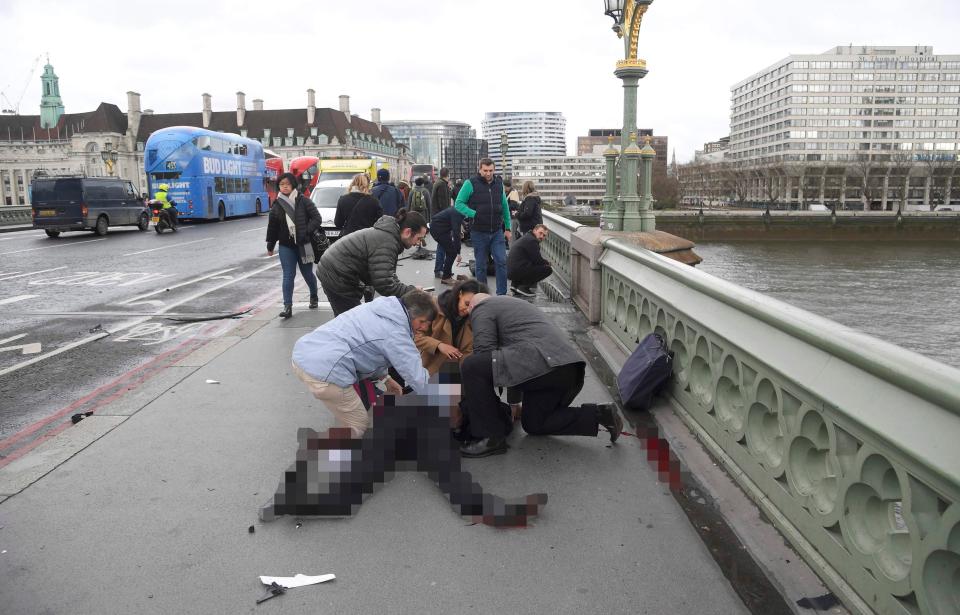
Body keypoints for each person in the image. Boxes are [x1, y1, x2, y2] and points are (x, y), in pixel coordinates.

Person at [260, 364, 547, 527]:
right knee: (361, 481)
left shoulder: (457, 392)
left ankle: (290, 500)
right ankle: (290, 500)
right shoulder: (458, 392)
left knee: (362, 473)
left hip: (404, 422)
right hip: (411, 423)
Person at [458, 294, 623, 457]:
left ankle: (490, 437)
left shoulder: (482, 307)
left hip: (544, 364)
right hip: (567, 369)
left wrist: (488, 409)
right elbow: (508, 363)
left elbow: (484, 353)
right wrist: (513, 404)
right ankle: (600, 414)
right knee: (534, 423)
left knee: (473, 365)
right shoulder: (513, 306)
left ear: (472, 305)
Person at [291, 290, 435, 436]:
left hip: (304, 354)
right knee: (357, 425)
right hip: (326, 370)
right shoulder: (397, 333)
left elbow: (369, 348)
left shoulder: (383, 309)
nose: (424, 328)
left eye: (427, 324)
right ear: (410, 313)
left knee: (348, 415)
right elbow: (417, 376)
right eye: (422, 321)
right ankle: (324, 454)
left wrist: (386, 378)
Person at [317, 209, 428, 316]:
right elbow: (385, 285)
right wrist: (412, 291)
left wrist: (410, 290)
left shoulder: (389, 236)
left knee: (349, 320)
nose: (419, 243)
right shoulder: (387, 241)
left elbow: (388, 276)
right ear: (408, 232)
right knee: (353, 322)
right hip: (336, 275)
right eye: (419, 238)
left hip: (336, 271)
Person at [416, 279, 487, 433]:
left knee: (456, 418)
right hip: (434, 364)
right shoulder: (434, 307)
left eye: (473, 307)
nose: (468, 310)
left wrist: (468, 376)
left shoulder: (475, 316)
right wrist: (439, 345)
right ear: (459, 294)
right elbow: (415, 336)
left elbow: (470, 350)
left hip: (458, 368)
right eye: (466, 303)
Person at [265, 172, 323, 318]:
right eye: (281, 184)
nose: (284, 187)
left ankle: (314, 295)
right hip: (286, 245)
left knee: (307, 273)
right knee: (288, 275)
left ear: (293, 185)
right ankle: (287, 306)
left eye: (287, 184)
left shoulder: (303, 201)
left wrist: (306, 232)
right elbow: (272, 227)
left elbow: (317, 218)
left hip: (304, 244)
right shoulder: (277, 204)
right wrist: (270, 245)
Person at [454, 158, 512, 295]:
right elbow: (459, 204)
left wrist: (508, 228)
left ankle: (502, 294)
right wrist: (474, 214)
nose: (488, 173)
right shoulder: (470, 183)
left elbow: (504, 206)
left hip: (497, 231)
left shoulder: (499, 183)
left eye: (491, 170)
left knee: (502, 262)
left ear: (494, 169)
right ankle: (483, 295)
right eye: (485, 170)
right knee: (480, 266)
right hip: (479, 232)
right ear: (479, 169)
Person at [507, 224, 552, 297]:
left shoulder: (527, 237)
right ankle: (524, 287)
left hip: (511, 271)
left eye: (544, 235)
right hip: (516, 270)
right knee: (548, 269)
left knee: (527, 264)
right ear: (534, 230)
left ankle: (515, 286)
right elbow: (537, 260)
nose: (541, 237)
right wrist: (547, 263)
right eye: (540, 233)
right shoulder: (532, 241)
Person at [334, 173, 382, 238]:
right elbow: (380, 222)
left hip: (349, 238)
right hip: (367, 238)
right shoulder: (374, 201)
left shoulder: (343, 199)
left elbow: (338, 223)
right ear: (366, 185)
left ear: (353, 183)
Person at [429, 204, 465, 285]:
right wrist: (458, 252)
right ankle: (446, 277)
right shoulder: (457, 213)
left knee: (448, 249)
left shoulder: (458, 209)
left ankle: (445, 272)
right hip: (438, 229)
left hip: (441, 228)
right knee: (452, 252)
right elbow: (456, 233)